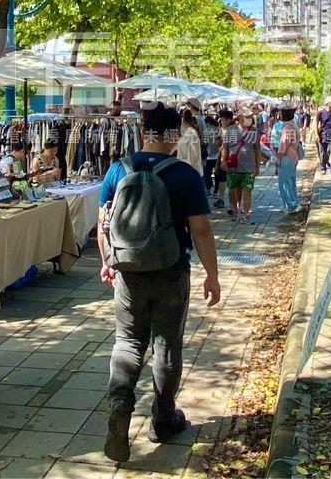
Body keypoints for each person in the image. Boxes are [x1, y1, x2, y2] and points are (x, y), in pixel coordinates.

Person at [98, 102, 221, 463]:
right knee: (166, 345)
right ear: (175, 136)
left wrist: (108, 261)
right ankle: (163, 419)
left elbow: (103, 222)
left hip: (128, 273)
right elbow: (200, 229)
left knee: (127, 342)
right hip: (171, 271)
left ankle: (120, 405)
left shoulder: (118, 169)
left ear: (142, 131)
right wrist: (212, 275)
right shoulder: (184, 175)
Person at [223, 108, 261, 222]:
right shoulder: (231, 130)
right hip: (233, 166)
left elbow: (257, 150)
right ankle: (234, 209)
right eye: (246, 117)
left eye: (250, 117)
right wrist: (223, 160)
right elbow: (225, 147)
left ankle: (245, 212)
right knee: (231, 189)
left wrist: (257, 167)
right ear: (240, 118)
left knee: (247, 190)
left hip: (249, 167)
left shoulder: (254, 132)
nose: (249, 119)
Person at [276, 106, 303, 213]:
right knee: (291, 181)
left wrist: (278, 155)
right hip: (293, 157)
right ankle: (293, 203)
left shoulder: (287, 128)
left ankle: (290, 205)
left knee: (284, 182)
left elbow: (284, 145)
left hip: (287, 157)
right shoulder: (293, 125)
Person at [214, 110, 234, 208]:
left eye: (223, 120)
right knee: (221, 177)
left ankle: (233, 203)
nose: (221, 122)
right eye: (221, 120)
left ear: (229, 119)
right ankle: (221, 199)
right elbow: (218, 143)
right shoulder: (221, 129)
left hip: (230, 157)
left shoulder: (233, 130)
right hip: (221, 156)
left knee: (231, 179)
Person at [316, 96, 331, 176]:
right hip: (323, 134)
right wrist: (316, 134)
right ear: (328, 103)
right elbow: (316, 124)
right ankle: (323, 168)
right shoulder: (321, 113)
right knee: (323, 153)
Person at [175, 109, 203, 175]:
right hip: (187, 169)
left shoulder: (190, 133)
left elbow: (192, 156)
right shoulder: (188, 132)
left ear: (183, 119)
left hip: (189, 171)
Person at [203, 115, 221, 202]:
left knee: (207, 174)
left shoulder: (206, 132)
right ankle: (216, 190)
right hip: (217, 156)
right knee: (217, 174)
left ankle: (209, 188)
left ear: (207, 123)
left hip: (209, 156)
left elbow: (205, 144)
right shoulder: (218, 130)